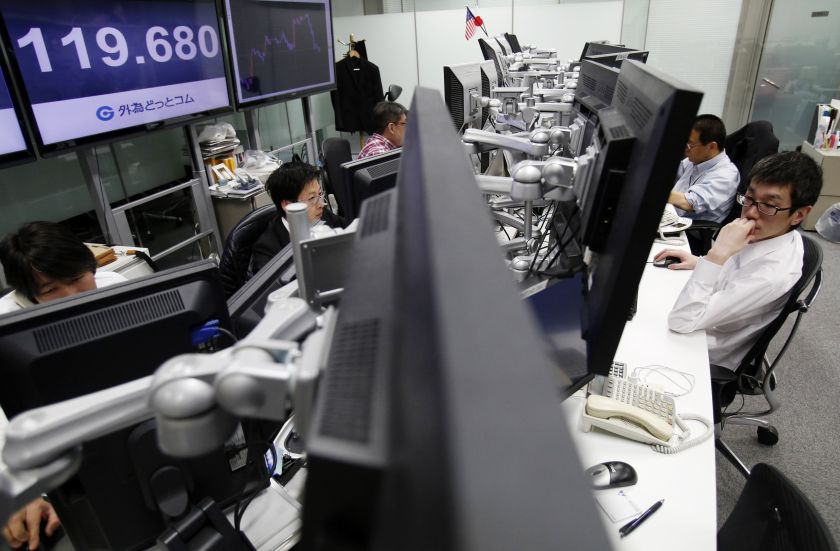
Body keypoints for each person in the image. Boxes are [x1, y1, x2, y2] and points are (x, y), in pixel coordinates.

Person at [0, 221, 128, 550]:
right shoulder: (6, 329)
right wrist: (23, 491)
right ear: (27, 296)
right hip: (54, 471)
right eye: (51, 290)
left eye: (75, 279)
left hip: (122, 439)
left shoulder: (115, 286)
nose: (71, 296)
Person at [655, 151, 822, 371]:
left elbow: (682, 321)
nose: (751, 213)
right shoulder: (773, 233)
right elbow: (734, 271)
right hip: (701, 321)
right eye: (750, 198)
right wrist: (700, 262)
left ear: (799, 215)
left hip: (701, 354)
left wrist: (716, 256)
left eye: (769, 205)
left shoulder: (772, 275)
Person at [250, 161, 345, 275]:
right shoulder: (268, 250)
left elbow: (350, 229)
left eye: (320, 195)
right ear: (287, 205)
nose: (321, 204)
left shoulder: (322, 215)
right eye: (311, 198)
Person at [667, 114, 740, 225]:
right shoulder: (697, 159)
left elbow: (688, 203)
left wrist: (653, 192)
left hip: (688, 231)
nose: (686, 150)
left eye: (690, 145)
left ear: (711, 146)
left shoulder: (726, 176)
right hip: (670, 214)